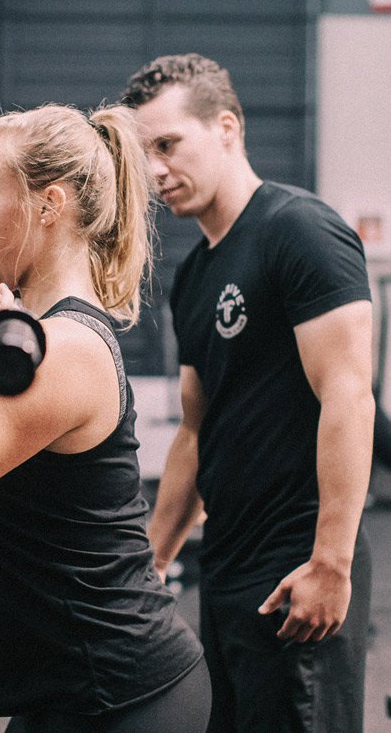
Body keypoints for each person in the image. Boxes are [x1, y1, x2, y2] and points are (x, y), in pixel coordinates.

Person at [0, 103, 211, 733]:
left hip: (122, 696)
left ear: (48, 205)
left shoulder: (67, 349)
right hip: (75, 689)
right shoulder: (34, 333)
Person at [120, 54, 375, 733]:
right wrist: (154, 562)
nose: (155, 172)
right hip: (228, 567)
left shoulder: (300, 230)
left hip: (298, 564)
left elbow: (349, 397)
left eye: (168, 145)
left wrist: (330, 564)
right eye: (145, 155)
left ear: (227, 127)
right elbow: (195, 433)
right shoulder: (193, 275)